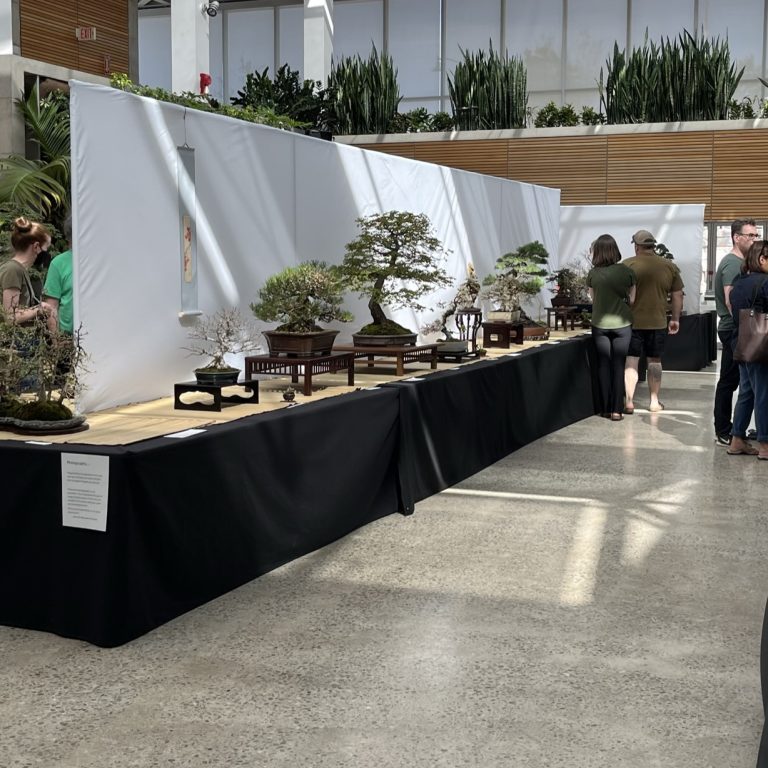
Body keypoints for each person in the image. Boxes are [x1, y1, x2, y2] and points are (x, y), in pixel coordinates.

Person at [623, 229, 684, 414]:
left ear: (637, 246)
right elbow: (677, 295)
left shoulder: (627, 265)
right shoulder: (668, 266)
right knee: (655, 362)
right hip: (658, 322)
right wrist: (675, 319)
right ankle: (654, 401)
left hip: (632, 322)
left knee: (631, 361)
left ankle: (629, 401)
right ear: (653, 245)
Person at [713, 219, 759, 445]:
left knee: (740, 382)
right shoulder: (733, 263)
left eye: (755, 236)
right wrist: (744, 332)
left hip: (736, 328)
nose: (753, 240)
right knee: (730, 381)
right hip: (734, 329)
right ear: (736, 237)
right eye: (749, 235)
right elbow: (733, 301)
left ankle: (733, 429)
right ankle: (723, 429)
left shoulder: (740, 262)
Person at [586, 234, 636, 421]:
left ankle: (605, 408)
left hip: (600, 324)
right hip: (623, 324)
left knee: (603, 365)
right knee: (618, 364)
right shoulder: (627, 271)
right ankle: (617, 410)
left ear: (597, 252)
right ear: (615, 250)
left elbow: (593, 298)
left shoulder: (593, 274)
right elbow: (632, 300)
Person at [728, 239, 768, 459]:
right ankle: (765, 444)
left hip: (742, 342)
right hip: (762, 346)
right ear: (762, 259)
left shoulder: (739, 281)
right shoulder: (765, 282)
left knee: (747, 392)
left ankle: (737, 439)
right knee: (764, 393)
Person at [0, 217, 54, 326]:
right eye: (46, 249)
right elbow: (11, 317)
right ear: (36, 246)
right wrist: (39, 309)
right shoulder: (12, 269)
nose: (46, 254)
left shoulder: (19, 269)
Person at [43, 214, 73, 334]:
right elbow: (51, 307)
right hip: (68, 338)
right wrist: (57, 343)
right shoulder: (58, 263)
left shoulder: (100, 261)